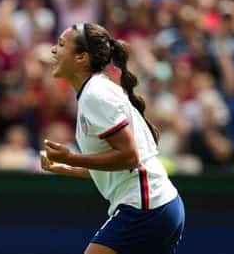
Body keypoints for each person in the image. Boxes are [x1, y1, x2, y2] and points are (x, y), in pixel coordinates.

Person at [40, 23, 185, 254]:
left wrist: (73, 157)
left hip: (145, 207)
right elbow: (117, 168)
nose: (53, 51)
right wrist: (67, 166)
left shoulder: (95, 95)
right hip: (159, 206)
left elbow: (129, 157)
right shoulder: (94, 92)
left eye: (61, 45)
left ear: (81, 58)